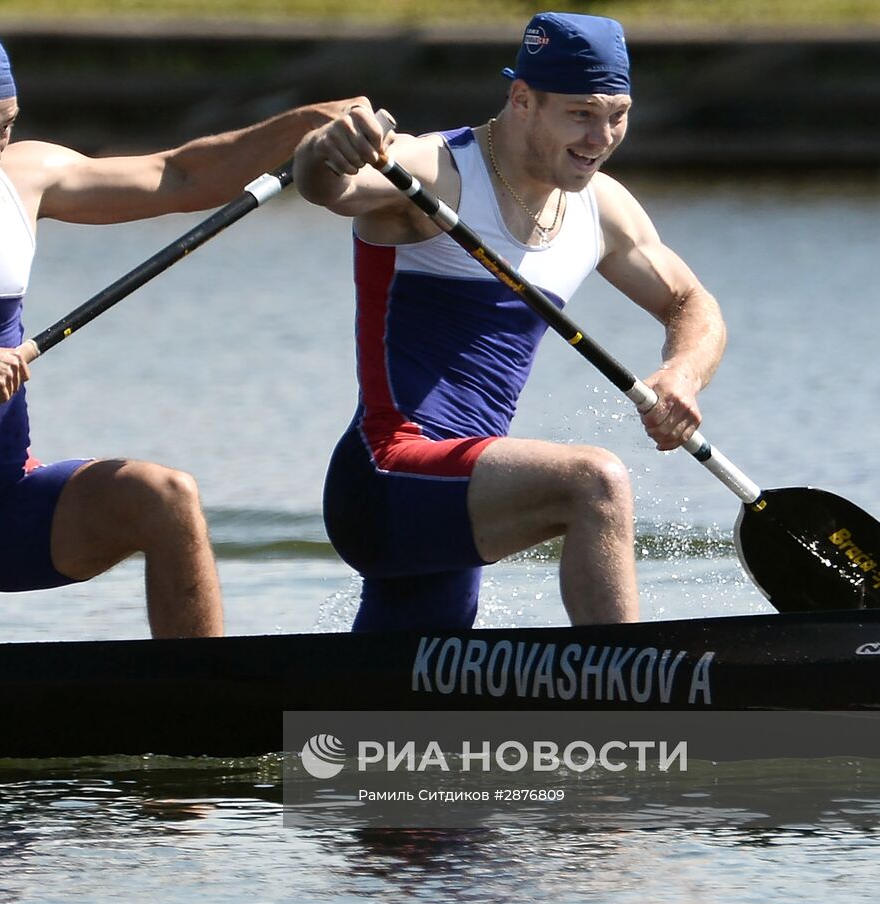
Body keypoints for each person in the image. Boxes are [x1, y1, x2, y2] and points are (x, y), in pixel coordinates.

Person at [0, 16, 360, 649]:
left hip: (4, 504)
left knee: (164, 496)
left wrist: (305, 123)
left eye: (5, 127)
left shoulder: (21, 181)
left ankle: (198, 697)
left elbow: (181, 175)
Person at [293, 11, 726, 632]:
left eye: (617, 115)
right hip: (387, 474)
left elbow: (692, 303)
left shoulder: (601, 209)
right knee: (594, 483)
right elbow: (328, 187)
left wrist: (684, 373)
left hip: (461, 485)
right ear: (522, 100)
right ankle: (635, 696)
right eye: (581, 113)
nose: (601, 137)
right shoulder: (435, 173)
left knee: (399, 699)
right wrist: (325, 149)